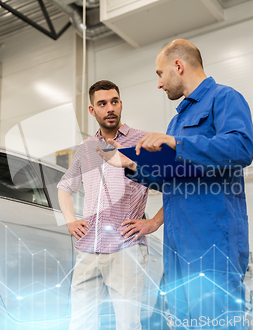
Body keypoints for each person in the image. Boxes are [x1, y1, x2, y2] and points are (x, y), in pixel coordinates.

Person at [98, 40, 253, 329]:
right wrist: (130, 164)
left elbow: (241, 147)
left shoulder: (225, 98)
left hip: (212, 244)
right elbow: (171, 178)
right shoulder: (177, 121)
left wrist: (178, 144)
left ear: (178, 66)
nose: (159, 83)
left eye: (160, 73)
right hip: (177, 246)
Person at [57, 80, 156, 330]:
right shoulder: (86, 147)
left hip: (126, 248)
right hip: (88, 249)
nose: (109, 108)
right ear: (93, 110)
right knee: (80, 323)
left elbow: (175, 185)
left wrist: (154, 222)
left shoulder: (142, 141)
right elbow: (64, 187)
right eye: (102, 104)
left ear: (121, 104)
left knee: (127, 324)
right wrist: (70, 219)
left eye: (114, 102)